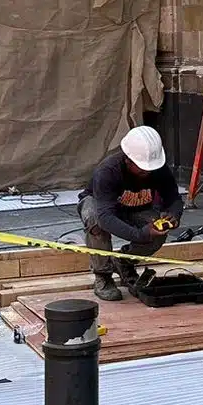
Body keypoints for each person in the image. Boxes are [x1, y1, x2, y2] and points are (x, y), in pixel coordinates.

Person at [79, 125, 184, 302]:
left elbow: (174, 198)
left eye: (150, 168)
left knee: (156, 233)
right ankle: (103, 276)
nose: (147, 172)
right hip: (101, 206)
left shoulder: (159, 169)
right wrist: (140, 234)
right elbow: (106, 218)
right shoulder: (107, 172)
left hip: (134, 208)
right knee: (96, 222)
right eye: (142, 169)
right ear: (127, 159)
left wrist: (174, 214)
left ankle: (124, 262)